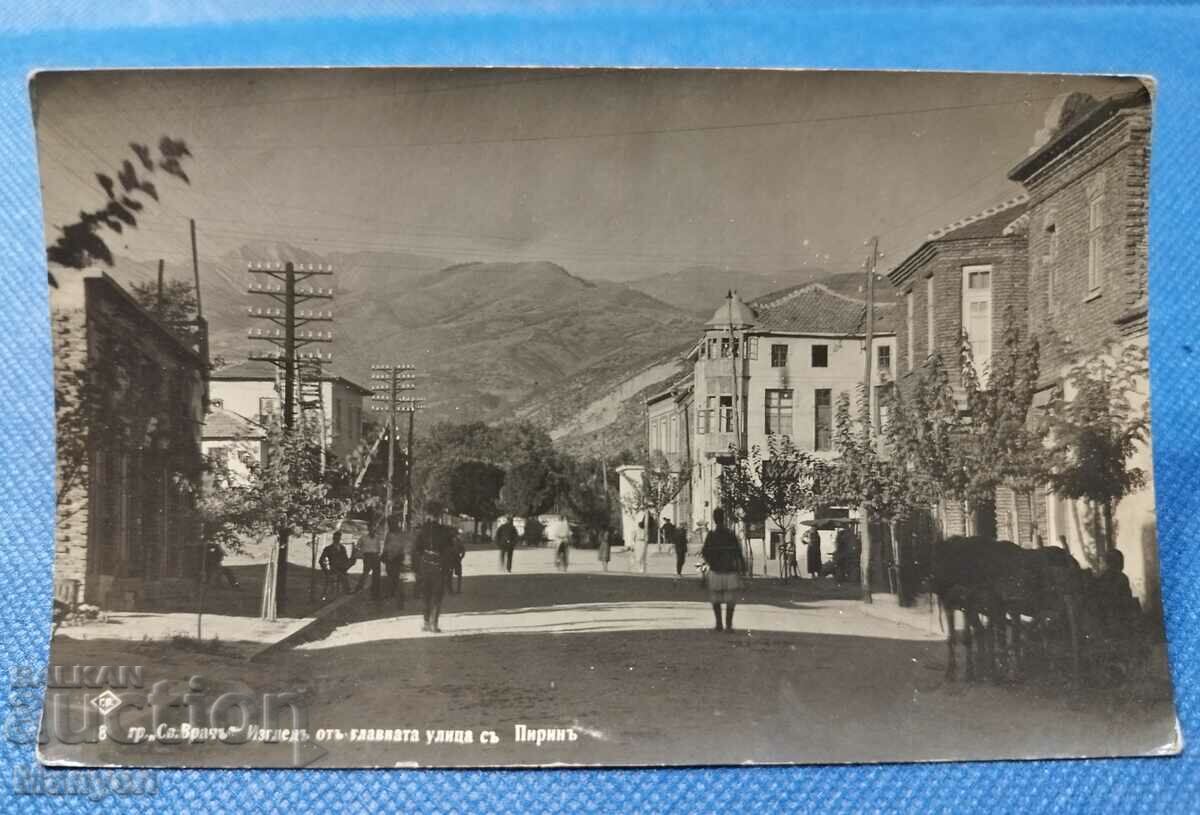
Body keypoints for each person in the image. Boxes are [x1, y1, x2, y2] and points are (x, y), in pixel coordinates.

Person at [701, 508, 747, 632]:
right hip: (729, 570)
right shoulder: (731, 534)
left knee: (716, 599)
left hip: (716, 570)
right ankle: (729, 625)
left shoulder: (711, 535)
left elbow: (705, 552)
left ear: (714, 519)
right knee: (730, 599)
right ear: (724, 517)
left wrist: (711, 561)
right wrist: (742, 567)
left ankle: (719, 624)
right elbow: (738, 552)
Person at [416, 514, 455, 632]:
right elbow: (450, 550)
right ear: (439, 516)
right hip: (439, 565)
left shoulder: (422, 530)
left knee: (425, 594)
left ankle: (426, 622)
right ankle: (434, 623)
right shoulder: (445, 531)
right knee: (437, 595)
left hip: (425, 564)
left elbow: (417, 549)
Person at [354, 516, 386, 600]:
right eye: (371, 528)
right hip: (367, 557)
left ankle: (376, 593)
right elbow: (357, 547)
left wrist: (377, 555)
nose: (372, 529)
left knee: (376, 576)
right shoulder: (363, 538)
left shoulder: (377, 538)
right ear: (368, 529)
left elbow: (379, 548)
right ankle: (358, 589)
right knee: (365, 574)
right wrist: (362, 554)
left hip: (375, 557)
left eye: (374, 528)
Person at [319, 530, 354, 600]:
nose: (337, 540)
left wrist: (349, 562)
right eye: (335, 538)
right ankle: (346, 590)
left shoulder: (342, 548)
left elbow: (346, 559)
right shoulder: (328, 548)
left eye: (338, 538)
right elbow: (321, 560)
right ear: (333, 538)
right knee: (343, 576)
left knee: (344, 574)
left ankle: (346, 591)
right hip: (333, 568)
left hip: (342, 568)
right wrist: (326, 570)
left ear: (340, 539)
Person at [382, 515, 407, 609]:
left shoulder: (399, 533)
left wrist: (401, 555)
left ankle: (396, 593)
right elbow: (386, 544)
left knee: (395, 575)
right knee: (390, 574)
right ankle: (392, 591)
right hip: (390, 556)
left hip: (396, 557)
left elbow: (402, 546)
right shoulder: (389, 533)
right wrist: (384, 554)